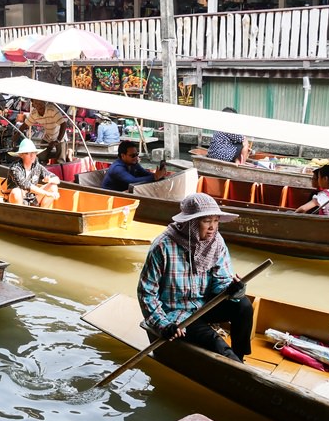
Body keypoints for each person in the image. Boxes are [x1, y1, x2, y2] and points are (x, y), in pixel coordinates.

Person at [138, 193, 251, 363]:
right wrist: (163, 325)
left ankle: (240, 359)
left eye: (216, 221)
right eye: (206, 221)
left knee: (243, 306)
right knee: (216, 343)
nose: (212, 227)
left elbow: (221, 282)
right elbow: (146, 293)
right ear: (190, 223)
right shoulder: (162, 246)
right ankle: (233, 363)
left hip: (205, 305)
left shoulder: (216, 242)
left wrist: (233, 289)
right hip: (178, 315)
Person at [1, 138, 60, 208]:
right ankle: (18, 215)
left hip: (32, 199)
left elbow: (57, 179)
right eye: (27, 153)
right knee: (16, 192)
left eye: (34, 152)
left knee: (53, 186)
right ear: (21, 155)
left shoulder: (37, 166)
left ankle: (42, 214)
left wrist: (49, 180)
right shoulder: (15, 168)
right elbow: (27, 186)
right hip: (17, 200)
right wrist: (48, 194)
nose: (32, 155)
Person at [101, 140, 168, 191]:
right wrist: (155, 177)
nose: (136, 157)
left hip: (124, 193)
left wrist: (159, 176)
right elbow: (132, 181)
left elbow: (145, 174)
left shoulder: (133, 163)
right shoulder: (117, 168)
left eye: (136, 154)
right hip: (110, 196)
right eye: (132, 155)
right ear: (123, 156)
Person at [22, 99, 68, 164]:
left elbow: (64, 124)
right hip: (48, 136)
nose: (39, 106)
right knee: (41, 157)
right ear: (33, 104)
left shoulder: (52, 110)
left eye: (41, 103)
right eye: (37, 104)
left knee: (60, 160)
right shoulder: (34, 113)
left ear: (44, 102)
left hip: (60, 137)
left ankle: (64, 155)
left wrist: (58, 140)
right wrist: (15, 137)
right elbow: (25, 124)